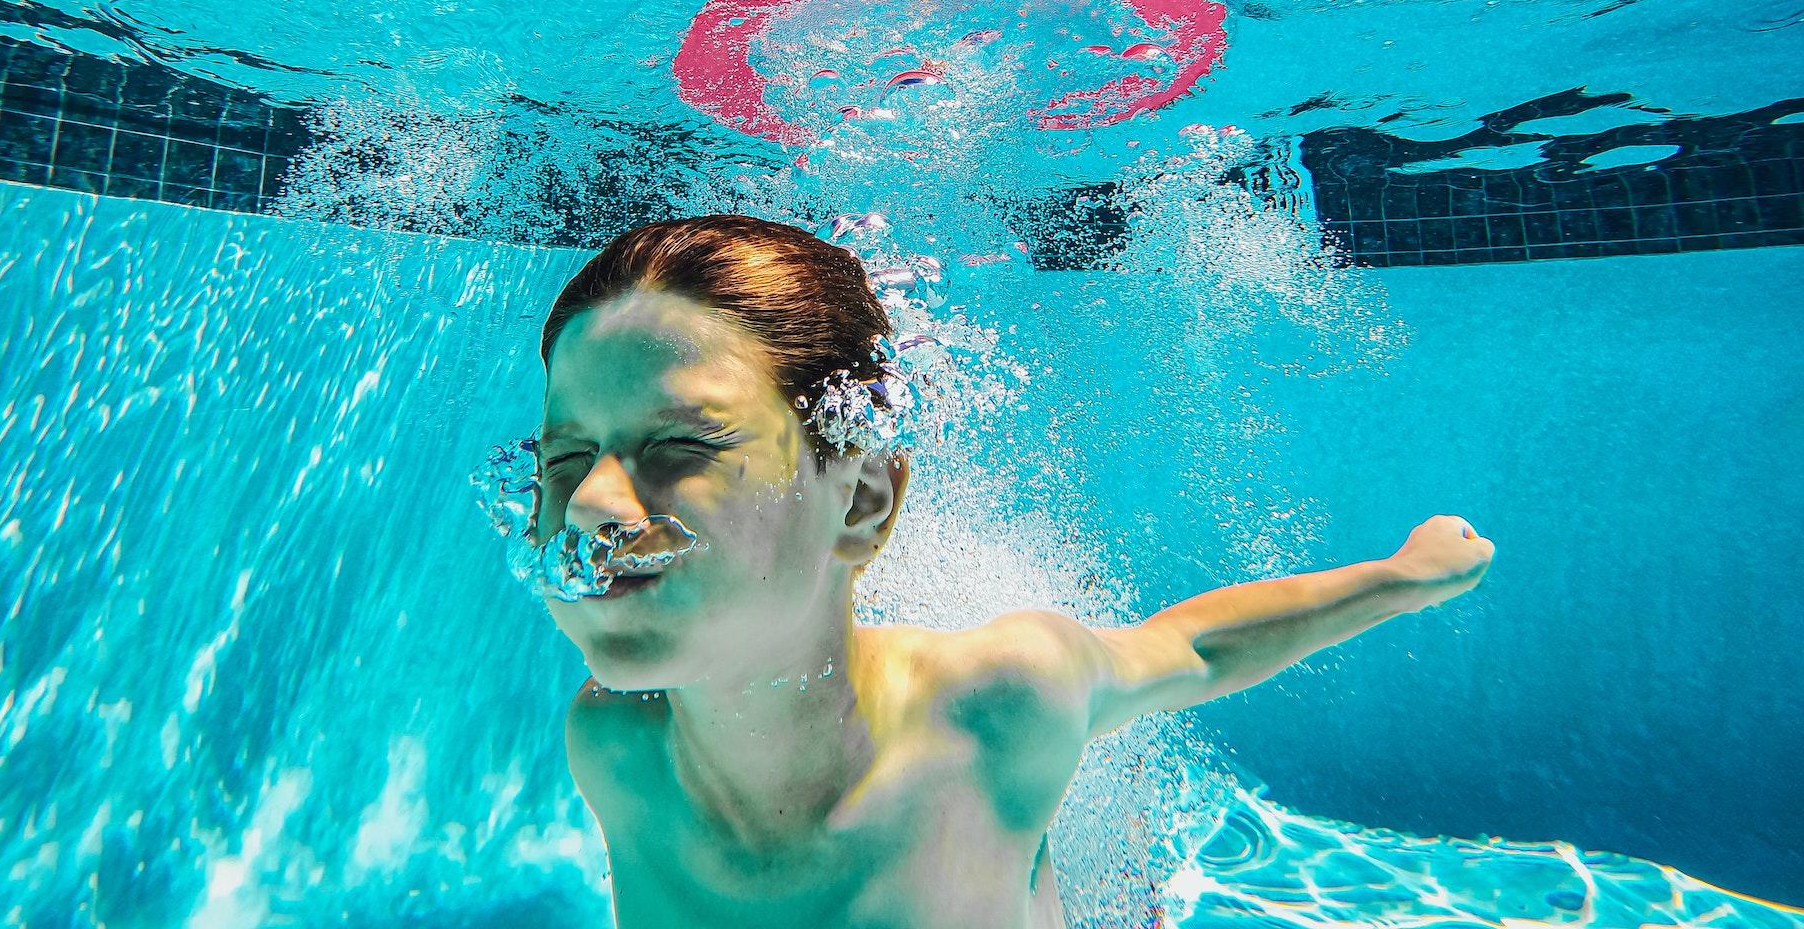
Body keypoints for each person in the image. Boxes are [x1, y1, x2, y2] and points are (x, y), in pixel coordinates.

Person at [516, 213, 1493, 927]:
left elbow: (1190, 649)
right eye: (566, 458)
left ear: (860, 503)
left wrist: (1405, 576)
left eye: (684, 443)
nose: (592, 504)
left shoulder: (994, 710)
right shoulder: (616, 751)